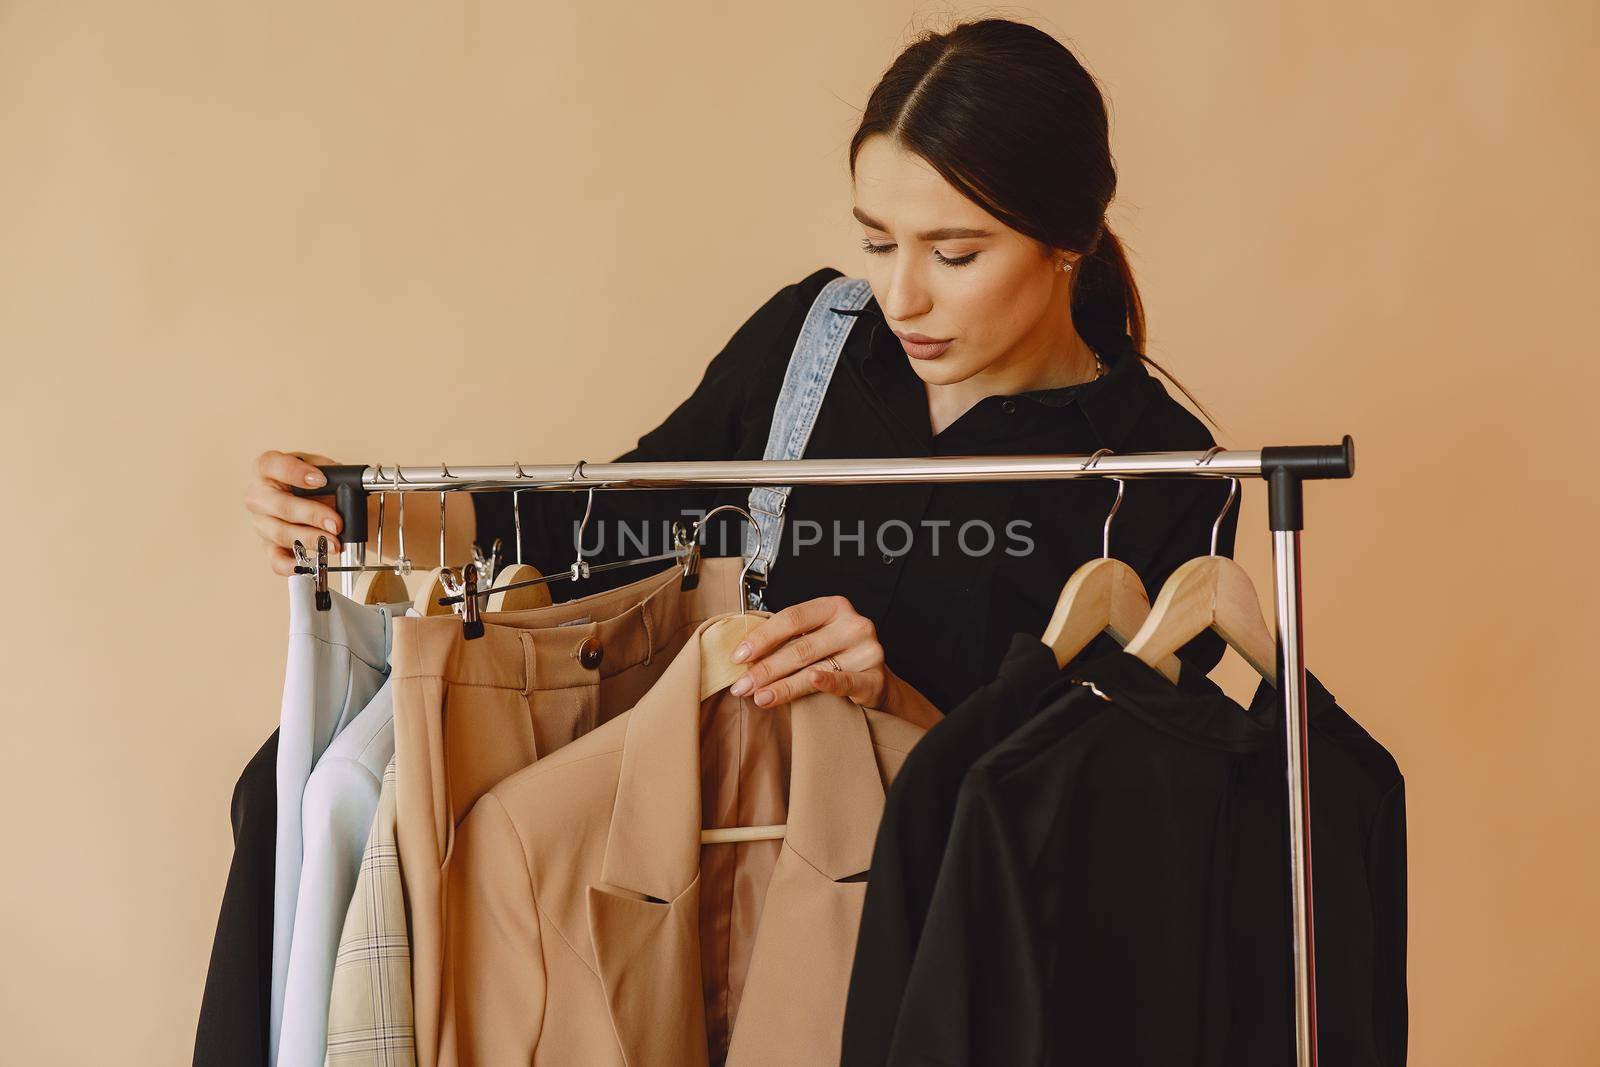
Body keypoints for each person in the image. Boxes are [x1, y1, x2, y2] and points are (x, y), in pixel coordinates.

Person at [244, 17, 1237, 729]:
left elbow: (1112, 823)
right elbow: (611, 523)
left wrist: (892, 697)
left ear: (1068, 240)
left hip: (954, 968)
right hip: (743, 892)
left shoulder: (1166, 481)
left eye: (955, 252)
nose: (901, 297)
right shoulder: (811, 342)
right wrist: (365, 512)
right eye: (877, 240)